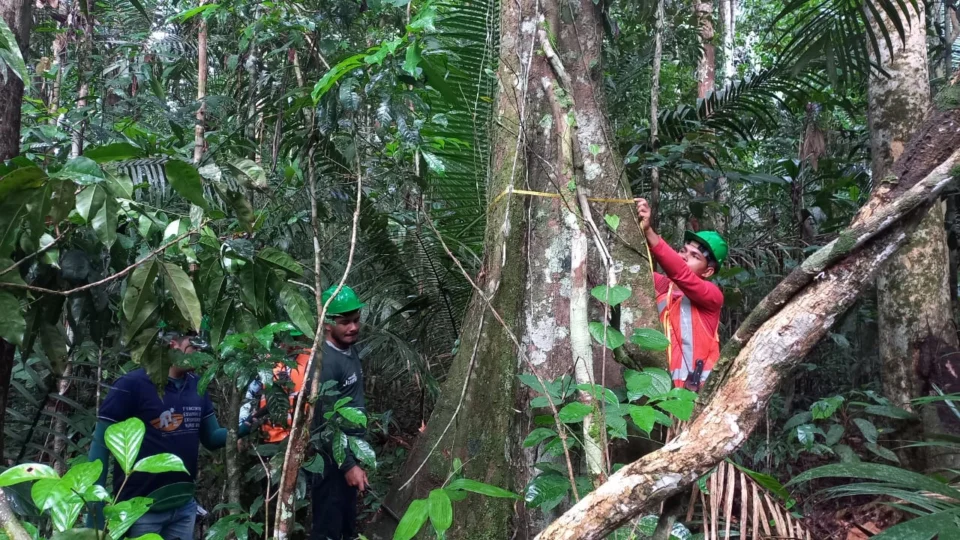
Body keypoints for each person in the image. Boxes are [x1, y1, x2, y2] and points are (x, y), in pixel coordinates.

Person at [87, 329, 252, 540]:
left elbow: (211, 438)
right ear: (174, 345)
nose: (201, 354)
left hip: (183, 506)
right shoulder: (132, 385)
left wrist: (246, 426)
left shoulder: (197, 385)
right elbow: (99, 448)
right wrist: (96, 514)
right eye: (194, 347)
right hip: (140, 510)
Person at [636, 198, 728, 391]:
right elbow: (628, 270)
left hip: (695, 397)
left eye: (695, 256)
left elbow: (680, 273)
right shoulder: (663, 286)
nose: (684, 256)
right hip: (656, 391)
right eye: (683, 251)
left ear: (708, 272)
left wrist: (649, 232)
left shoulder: (712, 296)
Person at [311, 284, 369, 540]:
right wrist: (347, 466)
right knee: (328, 527)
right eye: (345, 322)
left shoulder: (349, 349)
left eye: (356, 320)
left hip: (348, 453)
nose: (353, 327)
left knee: (346, 527)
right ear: (326, 323)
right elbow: (323, 423)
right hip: (330, 461)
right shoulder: (325, 363)